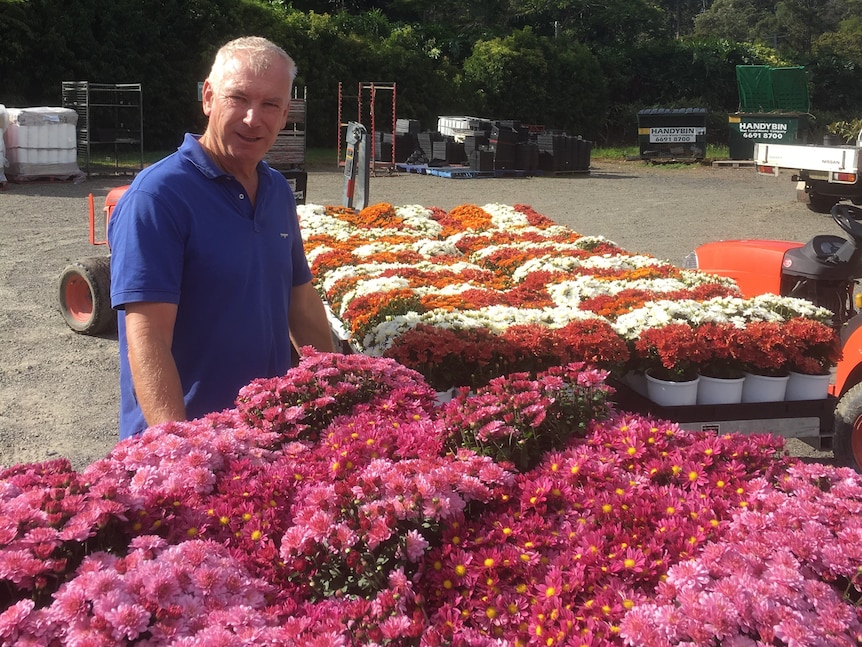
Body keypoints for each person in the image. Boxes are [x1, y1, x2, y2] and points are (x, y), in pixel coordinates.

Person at [108, 36, 335, 440]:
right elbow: (148, 337)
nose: (253, 118)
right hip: (192, 441)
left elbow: (300, 303)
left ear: (285, 115)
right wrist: (179, 450)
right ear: (209, 98)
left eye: (270, 105)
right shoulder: (159, 197)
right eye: (238, 98)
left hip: (268, 433)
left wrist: (343, 387)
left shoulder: (277, 191)